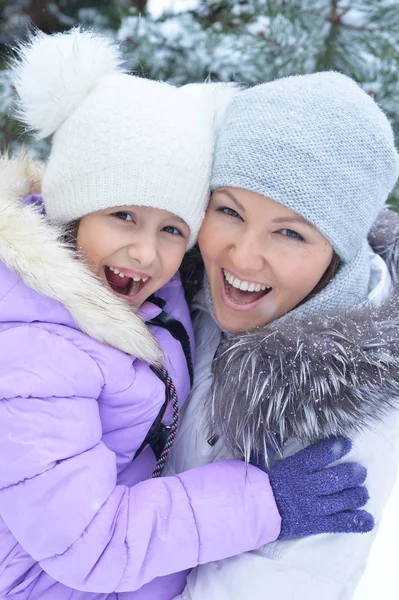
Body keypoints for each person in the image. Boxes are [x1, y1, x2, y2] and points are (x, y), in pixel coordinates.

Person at [0, 31, 372, 600]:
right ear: (72, 205)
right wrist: (261, 502)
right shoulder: (34, 355)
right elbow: (90, 544)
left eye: (173, 227)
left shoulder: (142, 286)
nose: (147, 252)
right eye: (123, 214)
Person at [164, 72, 399, 599]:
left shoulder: (349, 409)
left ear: (338, 254)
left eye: (290, 232)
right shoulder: (176, 288)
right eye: (228, 210)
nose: (242, 257)